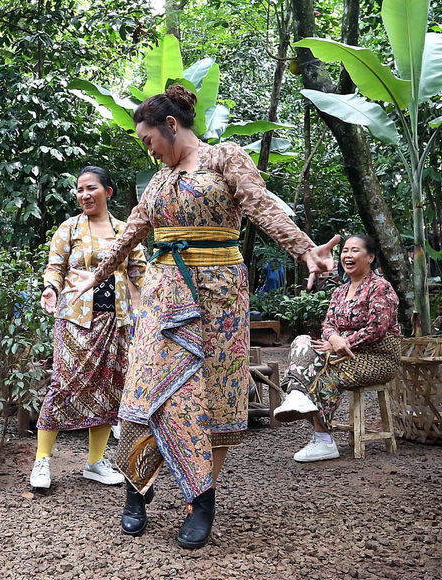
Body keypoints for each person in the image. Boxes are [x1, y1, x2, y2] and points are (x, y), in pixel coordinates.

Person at [64, 85, 339, 549]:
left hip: (220, 294)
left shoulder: (224, 158)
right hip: (164, 294)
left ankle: (201, 500)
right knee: (143, 392)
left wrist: (305, 249)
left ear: (171, 125)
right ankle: (137, 488)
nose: (149, 151)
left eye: (149, 140)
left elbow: (263, 207)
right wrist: (96, 276)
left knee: (212, 396)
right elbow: (131, 232)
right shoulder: (157, 183)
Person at [29, 166, 147, 491]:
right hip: (76, 319)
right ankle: (42, 460)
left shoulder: (125, 230)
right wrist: (50, 288)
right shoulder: (69, 228)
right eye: (79, 189)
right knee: (63, 385)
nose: (83, 195)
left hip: (116, 320)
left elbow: (140, 271)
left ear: (107, 192)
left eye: (90, 188)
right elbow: (55, 266)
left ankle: (95, 462)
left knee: (110, 388)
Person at [274, 235, 401, 461]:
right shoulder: (340, 291)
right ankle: (297, 395)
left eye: (355, 251)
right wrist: (334, 339)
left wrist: (345, 342)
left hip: (378, 357)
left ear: (370, 257)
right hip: (341, 353)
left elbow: (378, 328)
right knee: (303, 341)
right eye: (345, 251)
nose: (347, 256)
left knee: (321, 374)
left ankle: (323, 439)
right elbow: (328, 324)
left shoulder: (380, 287)